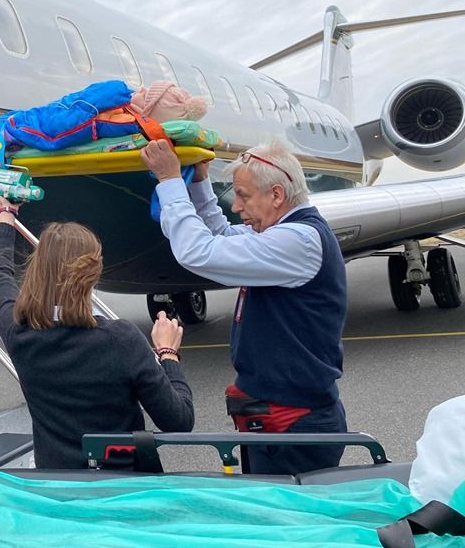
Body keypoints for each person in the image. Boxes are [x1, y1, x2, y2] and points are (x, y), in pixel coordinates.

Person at [141, 138, 348, 475]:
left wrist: (169, 180)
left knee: (283, 509)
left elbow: (199, 252)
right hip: (276, 419)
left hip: (294, 426)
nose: (236, 206)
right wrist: (199, 182)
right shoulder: (281, 233)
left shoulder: (297, 240)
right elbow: (219, 235)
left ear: (276, 195)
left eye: (243, 196)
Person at [0, 192, 194, 469]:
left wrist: (6, 213)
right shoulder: (122, 339)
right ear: (93, 274)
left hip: (58, 484)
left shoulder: (19, 333)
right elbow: (179, 421)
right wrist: (168, 354)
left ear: (37, 268)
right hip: (124, 484)